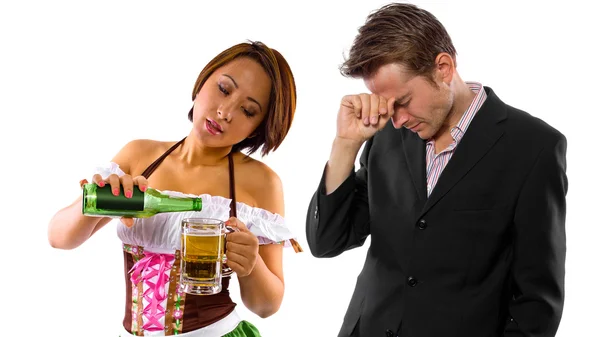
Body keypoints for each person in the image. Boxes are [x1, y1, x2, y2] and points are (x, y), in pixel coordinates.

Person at [305, 3, 567, 337]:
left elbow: (537, 301)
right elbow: (327, 242)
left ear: (443, 68)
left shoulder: (534, 146)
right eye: (387, 105)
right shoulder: (385, 133)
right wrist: (345, 144)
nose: (396, 119)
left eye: (402, 101)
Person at [48, 40, 302, 337]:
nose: (225, 112)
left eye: (248, 110)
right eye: (223, 89)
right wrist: (97, 201)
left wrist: (251, 264)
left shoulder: (262, 182)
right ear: (203, 80)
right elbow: (58, 238)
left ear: (258, 127)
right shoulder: (139, 156)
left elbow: (266, 306)